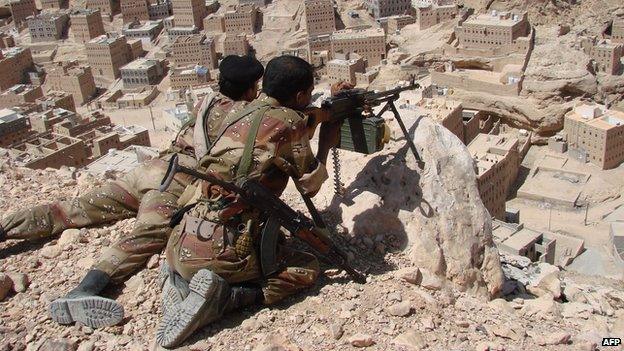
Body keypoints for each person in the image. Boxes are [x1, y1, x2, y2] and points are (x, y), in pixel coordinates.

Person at [0, 55, 264, 328]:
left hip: (148, 169)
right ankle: (85, 290)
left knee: (72, 209)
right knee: (145, 236)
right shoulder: (242, 115)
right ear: (249, 89)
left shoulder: (205, 101)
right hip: (172, 183)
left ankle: (5, 228)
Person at [155, 55, 345, 348]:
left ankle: (179, 281)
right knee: (307, 268)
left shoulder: (237, 111)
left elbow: (270, 135)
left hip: (184, 235)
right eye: (308, 93)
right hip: (221, 250)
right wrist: (324, 145)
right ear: (299, 96)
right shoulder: (292, 124)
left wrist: (315, 116)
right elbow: (310, 187)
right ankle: (227, 298)